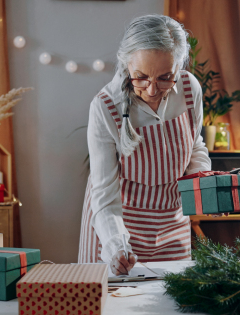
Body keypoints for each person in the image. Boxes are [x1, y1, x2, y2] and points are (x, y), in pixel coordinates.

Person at [78, 14, 211, 275]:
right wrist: (116, 246)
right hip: (118, 225)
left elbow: (195, 146)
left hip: (172, 224)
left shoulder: (188, 89)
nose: (152, 90)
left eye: (164, 77)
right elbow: (104, 195)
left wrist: (203, 191)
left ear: (179, 66)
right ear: (127, 63)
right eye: (141, 77)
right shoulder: (106, 107)